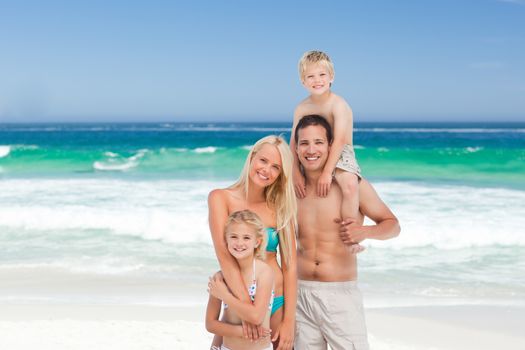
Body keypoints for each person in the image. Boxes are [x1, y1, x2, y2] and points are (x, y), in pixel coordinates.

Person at [293, 115, 401, 350]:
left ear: (331, 146)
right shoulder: (291, 188)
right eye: (304, 143)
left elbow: (392, 225)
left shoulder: (350, 185)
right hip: (299, 294)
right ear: (297, 147)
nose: (311, 150)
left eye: (319, 142)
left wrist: (365, 231)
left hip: (339, 295)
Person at [208, 135, 297, 350]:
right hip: (238, 298)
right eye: (263, 161)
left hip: (277, 301)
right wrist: (248, 310)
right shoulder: (221, 198)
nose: (267, 170)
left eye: (276, 167)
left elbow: (290, 265)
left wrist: (289, 323)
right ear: (252, 157)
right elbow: (224, 255)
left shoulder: (280, 206)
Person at [290, 50, 362, 231]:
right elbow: (293, 142)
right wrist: (295, 173)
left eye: (322, 75)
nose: (317, 80)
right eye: (311, 76)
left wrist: (327, 173)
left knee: (350, 185)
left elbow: (339, 141)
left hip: (340, 152)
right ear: (303, 81)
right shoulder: (302, 107)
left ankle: (350, 229)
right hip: (312, 150)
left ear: (332, 77)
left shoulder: (339, 105)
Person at [206, 210, 275, 350]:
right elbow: (210, 324)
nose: (239, 243)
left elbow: (256, 317)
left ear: (257, 242)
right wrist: (242, 332)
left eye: (246, 238)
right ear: (226, 240)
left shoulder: (264, 273)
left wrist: (225, 295)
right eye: (234, 236)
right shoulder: (220, 278)